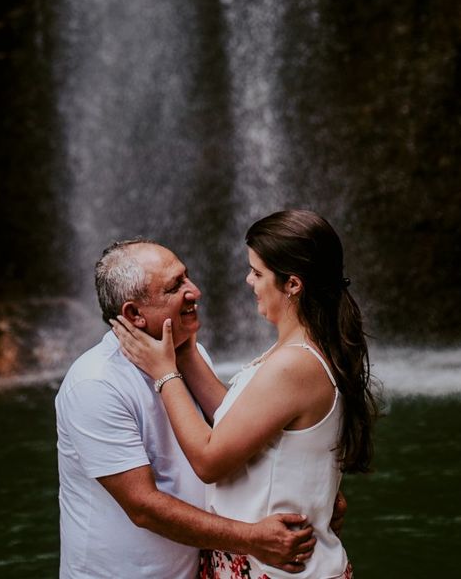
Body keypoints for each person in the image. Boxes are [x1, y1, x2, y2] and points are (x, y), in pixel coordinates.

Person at [113, 210, 375, 579]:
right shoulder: (302, 349)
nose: (248, 280)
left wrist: (164, 373)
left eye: (257, 272)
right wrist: (186, 353)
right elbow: (239, 421)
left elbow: (209, 460)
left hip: (276, 569)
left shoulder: (293, 365)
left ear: (293, 285)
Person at [57, 238, 319, 579]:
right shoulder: (95, 383)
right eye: (174, 287)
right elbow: (143, 507)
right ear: (134, 314)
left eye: (187, 277)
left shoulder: (191, 356)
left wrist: (314, 494)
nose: (194, 291)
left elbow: (244, 441)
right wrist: (253, 539)